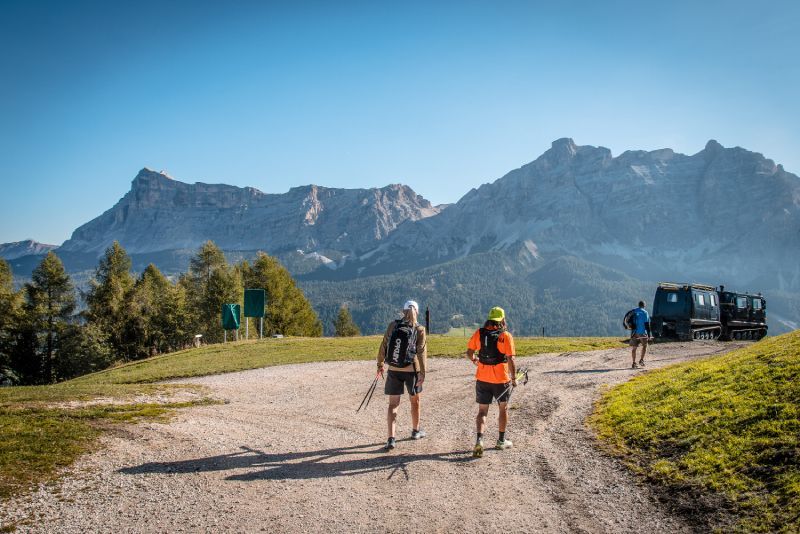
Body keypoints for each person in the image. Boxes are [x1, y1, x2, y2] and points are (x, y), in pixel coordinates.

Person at [377, 300, 427, 450]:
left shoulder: (393, 325)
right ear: (416, 312)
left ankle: (391, 439)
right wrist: (422, 373)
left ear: (403, 311)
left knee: (393, 404)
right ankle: (415, 431)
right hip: (412, 370)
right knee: (415, 402)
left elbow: (384, 344)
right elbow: (421, 353)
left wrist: (380, 365)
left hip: (393, 369)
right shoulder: (419, 329)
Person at [466, 306, 516, 458]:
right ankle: (501, 440)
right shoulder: (505, 336)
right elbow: (510, 359)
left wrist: (475, 360)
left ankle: (479, 440)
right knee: (503, 409)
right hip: (501, 379)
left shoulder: (479, 333)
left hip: (482, 378)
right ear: (502, 320)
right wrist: (513, 379)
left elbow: (469, 352)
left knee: (482, 411)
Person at [630, 300, 652, 369]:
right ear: (644, 305)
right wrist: (648, 335)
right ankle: (641, 360)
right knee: (645, 346)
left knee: (634, 348)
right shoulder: (645, 312)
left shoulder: (634, 311)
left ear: (638, 305)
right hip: (642, 332)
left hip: (634, 333)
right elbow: (647, 324)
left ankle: (633, 363)